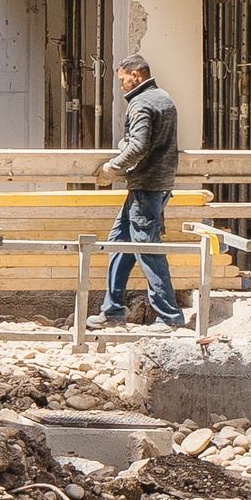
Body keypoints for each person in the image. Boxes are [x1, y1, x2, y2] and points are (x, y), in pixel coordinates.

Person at [90, 52, 186, 329]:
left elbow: (139, 146)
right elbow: (146, 142)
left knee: (147, 249)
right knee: (120, 243)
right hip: (157, 184)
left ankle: (169, 317)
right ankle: (112, 310)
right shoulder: (164, 98)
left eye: (123, 79)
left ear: (136, 74)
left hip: (146, 186)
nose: (122, 85)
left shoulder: (141, 103)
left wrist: (113, 167)